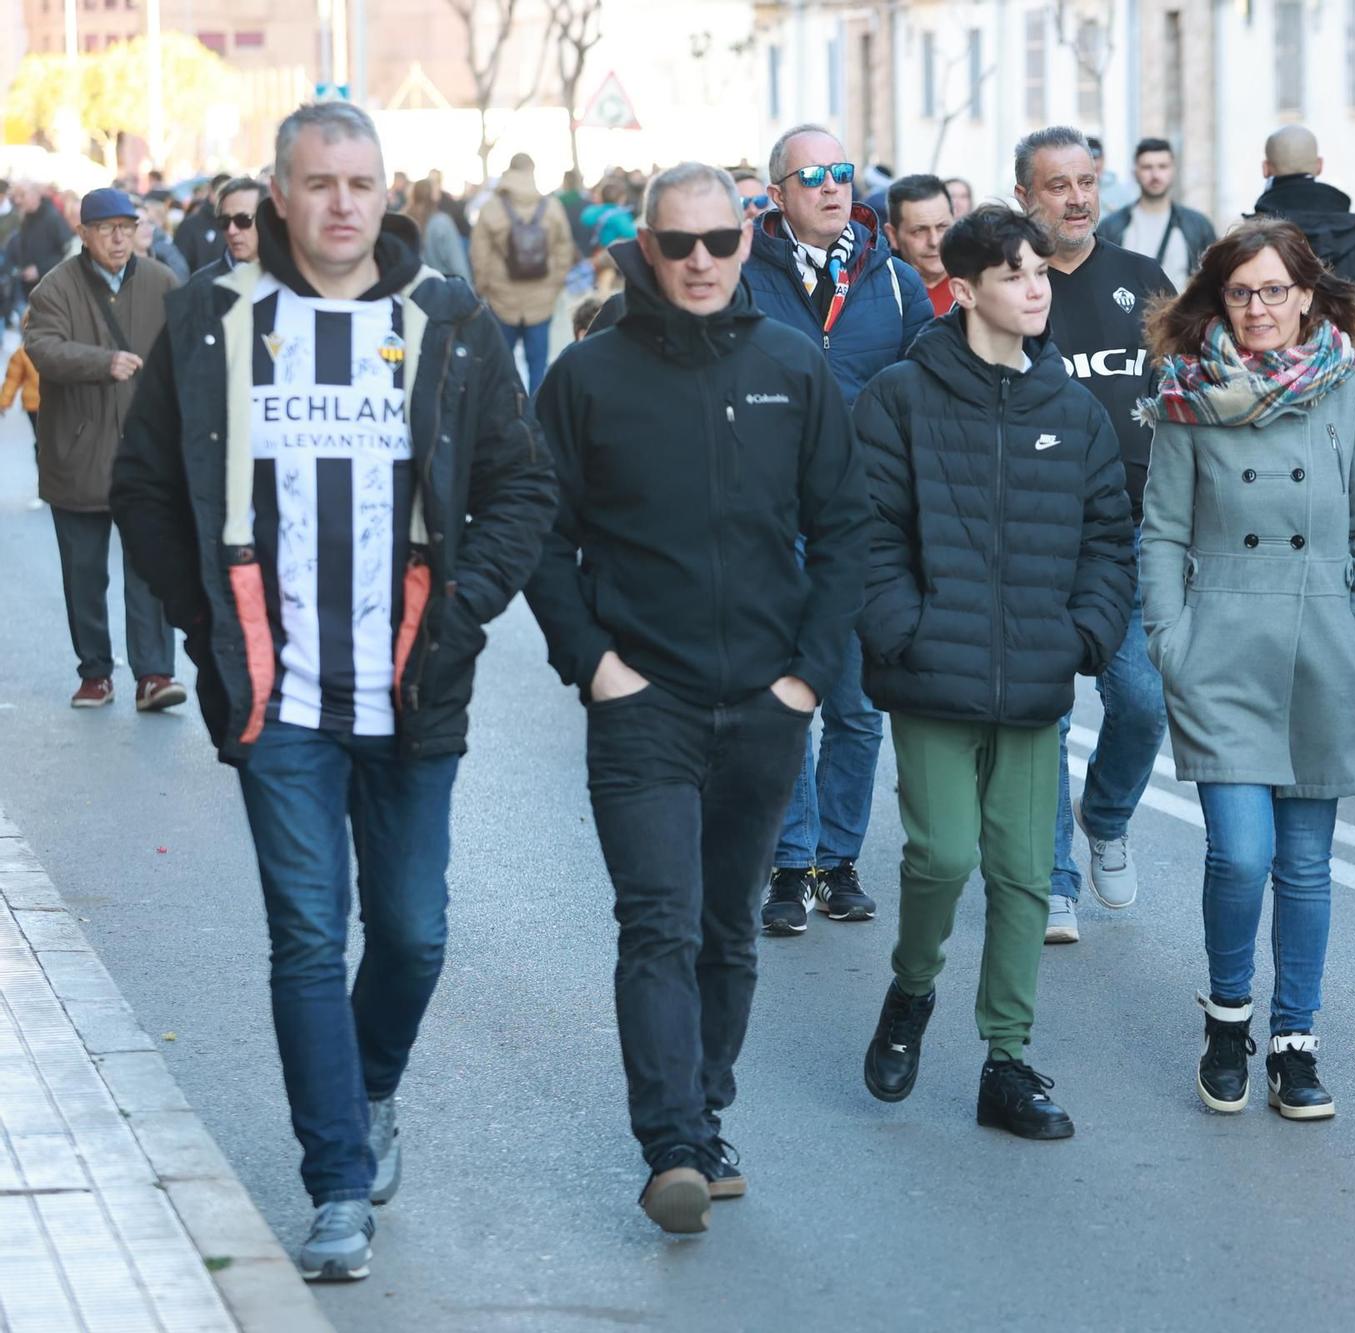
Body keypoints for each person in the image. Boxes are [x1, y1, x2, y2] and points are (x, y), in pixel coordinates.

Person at [110, 101, 556, 1279]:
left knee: (410, 936)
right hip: (280, 704)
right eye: (319, 183)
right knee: (308, 937)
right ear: (277, 195)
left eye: (362, 182)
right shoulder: (212, 320)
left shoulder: (447, 321)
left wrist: (458, 621)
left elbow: (521, 489)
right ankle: (337, 1183)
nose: (343, 204)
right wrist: (210, 623)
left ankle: (369, 1090)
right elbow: (144, 483)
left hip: (414, 695)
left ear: (386, 192)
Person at [525, 162, 866, 1233]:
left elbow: (847, 526)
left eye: (722, 241)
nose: (705, 262)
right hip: (643, 707)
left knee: (726, 930)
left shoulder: (790, 365)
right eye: (680, 246)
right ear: (646, 253)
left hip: (765, 707)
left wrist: (806, 675)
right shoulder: (586, 377)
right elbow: (538, 529)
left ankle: (706, 1109)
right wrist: (591, 662)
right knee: (657, 924)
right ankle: (670, 1139)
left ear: (743, 235)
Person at [854, 205, 1133, 1140]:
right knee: (941, 855)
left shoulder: (1071, 409)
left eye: (1042, 274)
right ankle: (913, 986)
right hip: (931, 670)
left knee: (1021, 874)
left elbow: (1108, 537)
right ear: (964, 289)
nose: (1036, 288)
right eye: (1015, 274)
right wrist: (905, 628)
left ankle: (1005, 1063)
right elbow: (868, 532)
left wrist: (1085, 634)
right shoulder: (900, 396)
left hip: (1035, 678)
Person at [1138, 217, 1355, 1121]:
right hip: (1223, 651)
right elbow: (1163, 531)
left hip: (1324, 646)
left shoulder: (1352, 393)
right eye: (1242, 291)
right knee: (1241, 855)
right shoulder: (1188, 395)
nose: (1259, 309)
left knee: (1307, 865)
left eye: (1274, 291)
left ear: (1308, 297)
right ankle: (1227, 1015)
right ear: (1221, 298)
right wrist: (1172, 641)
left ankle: (1295, 1039)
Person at [744, 124, 930, 934]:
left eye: (841, 173)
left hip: (864, 522)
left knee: (856, 707)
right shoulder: (744, 275)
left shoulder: (890, 279)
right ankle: (789, 864)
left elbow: (934, 378)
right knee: (787, 699)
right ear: (777, 191)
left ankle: (837, 861)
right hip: (773, 520)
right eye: (811, 175)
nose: (830, 186)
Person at [1013, 125, 1174, 943]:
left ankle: (1104, 817)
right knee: (1041, 710)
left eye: (1086, 181)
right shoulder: (1014, 284)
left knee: (1144, 703)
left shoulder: (1143, 279)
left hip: (1134, 535)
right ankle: (1050, 880)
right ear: (1024, 198)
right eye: (1056, 185)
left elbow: (1188, 393)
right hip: (1036, 537)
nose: (1076, 197)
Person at [26, 187, 184, 712]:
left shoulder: (163, 282)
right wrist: (103, 362)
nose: (120, 238)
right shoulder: (55, 288)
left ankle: (155, 674)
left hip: (143, 457)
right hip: (78, 452)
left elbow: (185, 357)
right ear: (84, 234)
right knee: (85, 574)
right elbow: (43, 349)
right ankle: (95, 671)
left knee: (149, 570)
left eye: (128, 227)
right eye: (107, 229)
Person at [1251, 124, 1355, 378]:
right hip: (1344, 400)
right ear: (1319, 166)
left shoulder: (1245, 240)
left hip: (1266, 391)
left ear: (1266, 168)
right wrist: (1354, 371)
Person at [470, 153, 576, 395]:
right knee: (538, 364)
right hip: (542, 299)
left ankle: (506, 416)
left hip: (501, 298)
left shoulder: (491, 208)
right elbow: (564, 248)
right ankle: (535, 420)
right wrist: (555, 282)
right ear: (532, 171)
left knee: (501, 364)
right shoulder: (551, 206)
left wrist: (484, 286)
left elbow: (480, 254)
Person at [1097, 138, 1217, 289]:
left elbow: (1214, 280)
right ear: (1135, 172)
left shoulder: (1198, 226)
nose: (1155, 175)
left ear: (1173, 170)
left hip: (1181, 312)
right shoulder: (1111, 227)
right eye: (1147, 167)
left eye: (1162, 166)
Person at [883, 173, 957, 315]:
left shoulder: (982, 285)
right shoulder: (873, 295)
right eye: (919, 231)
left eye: (942, 227)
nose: (934, 241)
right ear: (893, 235)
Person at [193, 177, 267, 280]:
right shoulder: (199, 286)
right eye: (224, 221)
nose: (231, 231)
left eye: (242, 220)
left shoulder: (291, 280)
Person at [13, 181, 74, 295]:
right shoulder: (26, 218)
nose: (17, 201)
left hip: (50, 290)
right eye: (15, 196)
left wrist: (40, 269)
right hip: (29, 290)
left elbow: (68, 254)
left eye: (22, 195)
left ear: (35, 194)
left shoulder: (53, 217)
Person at [406, 179, 471, 283]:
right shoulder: (442, 222)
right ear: (433, 195)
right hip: (444, 288)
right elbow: (457, 264)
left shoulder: (407, 221)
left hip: (415, 290)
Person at [172, 173, 232, 274]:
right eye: (223, 193)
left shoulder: (238, 225)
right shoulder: (189, 226)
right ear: (212, 194)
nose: (228, 198)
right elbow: (179, 267)